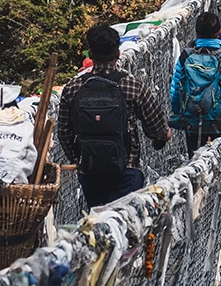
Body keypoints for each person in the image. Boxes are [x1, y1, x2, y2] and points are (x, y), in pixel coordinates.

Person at [57, 24, 170, 209]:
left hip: (89, 171)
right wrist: (163, 136)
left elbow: (63, 131)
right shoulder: (133, 86)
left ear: (90, 54)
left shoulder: (73, 89)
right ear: (117, 54)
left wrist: (79, 158)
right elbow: (156, 127)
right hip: (127, 170)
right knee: (125, 224)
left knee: (98, 222)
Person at [170, 11, 221, 154]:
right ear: (219, 31)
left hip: (191, 121)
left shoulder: (186, 56)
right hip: (219, 122)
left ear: (197, 33)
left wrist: (179, 113)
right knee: (220, 159)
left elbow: (175, 90)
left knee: (194, 162)